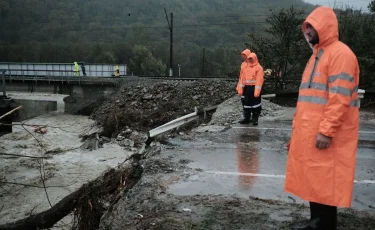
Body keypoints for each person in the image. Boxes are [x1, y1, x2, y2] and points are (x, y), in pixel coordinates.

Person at [285, 6, 360, 230]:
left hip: (328, 135)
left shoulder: (341, 55)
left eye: (311, 27)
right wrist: (297, 132)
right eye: (306, 28)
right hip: (311, 132)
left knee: (326, 181)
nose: (307, 32)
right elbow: (307, 99)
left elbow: (340, 97)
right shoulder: (317, 56)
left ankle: (324, 223)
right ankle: (316, 220)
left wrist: (327, 131)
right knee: (315, 179)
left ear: (324, 27)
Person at [238, 52, 264, 125]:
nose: (250, 60)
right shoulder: (246, 68)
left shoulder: (259, 68)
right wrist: (240, 89)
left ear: (255, 59)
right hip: (246, 88)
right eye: (249, 59)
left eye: (251, 59)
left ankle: (255, 119)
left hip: (254, 88)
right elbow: (242, 79)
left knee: (256, 104)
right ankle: (247, 118)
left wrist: (257, 91)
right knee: (246, 104)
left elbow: (259, 80)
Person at [236, 49, 251, 122]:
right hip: (242, 86)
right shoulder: (243, 64)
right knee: (244, 101)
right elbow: (241, 75)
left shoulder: (252, 64)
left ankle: (248, 118)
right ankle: (247, 117)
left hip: (249, 86)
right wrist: (239, 85)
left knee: (248, 101)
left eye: (244, 55)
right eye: (242, 55)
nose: (243, 57)